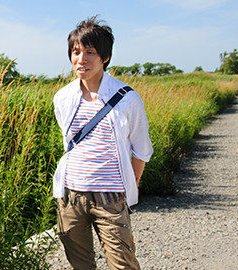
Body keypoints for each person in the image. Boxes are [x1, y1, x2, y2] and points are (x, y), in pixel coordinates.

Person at [52, 16, 153, 269]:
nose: (81, 59)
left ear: (105, 57)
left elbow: (141, 150)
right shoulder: (63, 97)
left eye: (90, 52)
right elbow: (70, 143)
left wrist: (127, 187)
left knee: (123, 264)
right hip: (71, 196)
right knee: (80, 265)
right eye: (76, 52)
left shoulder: (128, 99)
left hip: (110, 196)